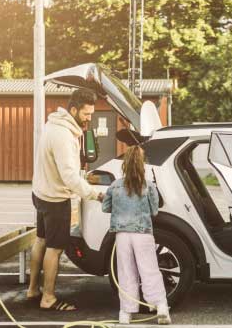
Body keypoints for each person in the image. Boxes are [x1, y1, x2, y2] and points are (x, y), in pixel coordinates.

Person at [28, 89, 102, 311]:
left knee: (41, 240)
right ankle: (48, 298)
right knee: (55, 248)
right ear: (73, 109)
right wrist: (94, 193)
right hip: (55, 199)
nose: (89, 118)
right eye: (86, 114)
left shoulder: (53, 125)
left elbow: (62, 167)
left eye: (91, 114)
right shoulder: (63, 135)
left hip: (41, 192)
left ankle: (33, 289)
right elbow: (69, 177)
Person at [102, 146, 171, 325]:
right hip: (143, 233)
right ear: (142, 164)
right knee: (149, 270)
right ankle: (161, 306)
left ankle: (126, 312)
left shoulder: (115, 185)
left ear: (125, 163)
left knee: (126, 272)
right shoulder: (148, 185)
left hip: (122, 235)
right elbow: (154, 211)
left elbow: (105, 207)